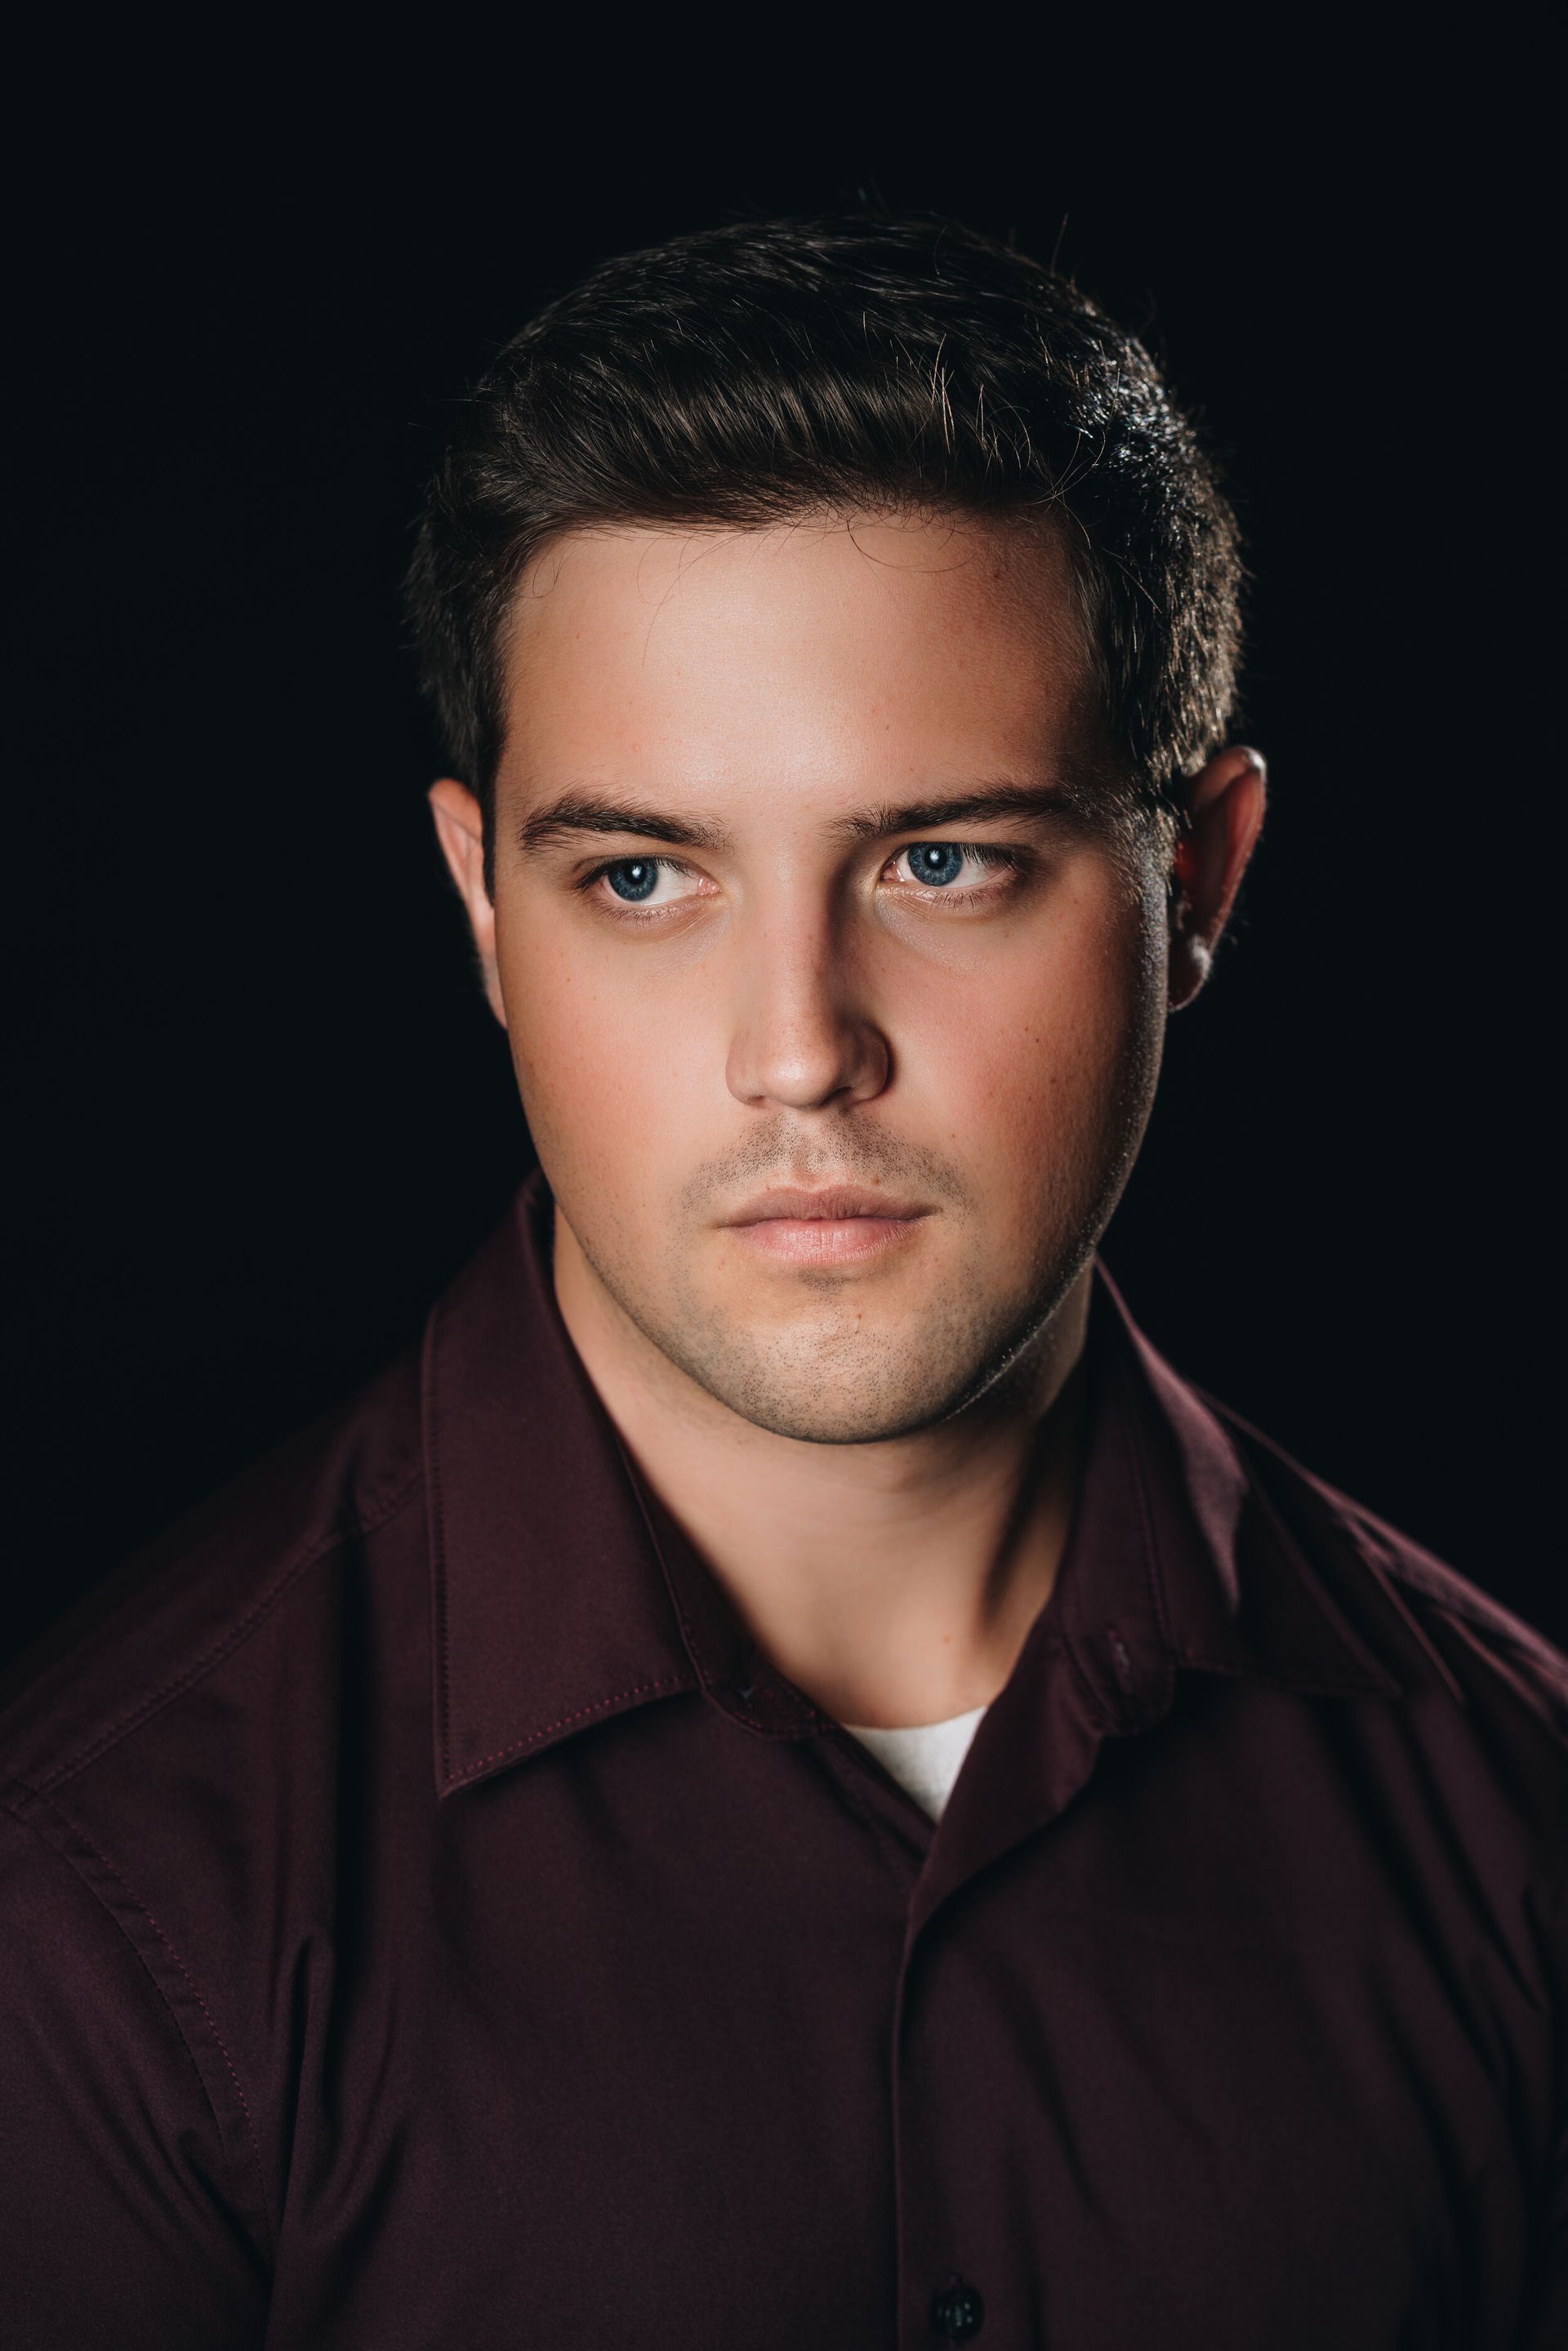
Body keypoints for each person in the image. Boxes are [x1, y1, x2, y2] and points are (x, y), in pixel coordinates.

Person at [2, 215, 1562, 2351]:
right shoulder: (90, 1909)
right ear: (481, 903)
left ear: (1193, 884)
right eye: (644, 877)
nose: (798, 1043)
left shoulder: (1517, 1820)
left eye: (941, 862)